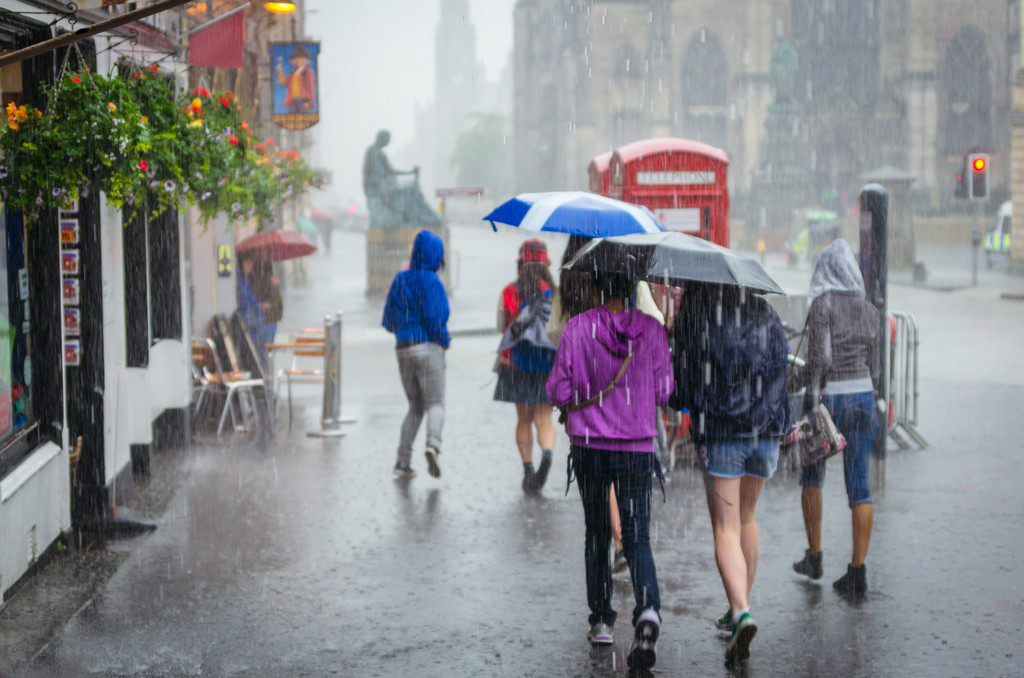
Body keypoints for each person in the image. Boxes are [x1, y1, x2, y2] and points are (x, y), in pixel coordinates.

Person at [547, 269, 673, 671]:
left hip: (589, 447)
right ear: (633, 288)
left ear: (598, 288)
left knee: (598, 531)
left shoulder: (577, 328)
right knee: (637, 538)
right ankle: (648, 608)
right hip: (636, 447)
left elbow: (558, 390)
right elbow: (664, 392)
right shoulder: (652, 331)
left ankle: (601, 620)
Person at [669, 282, 791, 664]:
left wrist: (681, 400)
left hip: (723, 432)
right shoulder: (765, 313)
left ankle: (741, 611)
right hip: (765, 431)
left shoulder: (698, 316)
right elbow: (781, 369)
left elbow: (682, 382)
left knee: (726, 528)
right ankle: (740, 607)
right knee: (747, 519)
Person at [791, 238, 880, 597]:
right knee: (859, 487)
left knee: (812, 477)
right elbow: (876, 368)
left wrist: (791, 383)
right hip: (863, 399)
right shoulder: (870, 310)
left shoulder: (822, 305)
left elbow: (820, 362)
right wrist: (867, 393)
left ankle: (814, 556)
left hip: (828, 401)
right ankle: (857, 572)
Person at [381, 229, 451, 479]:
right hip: (428, 348)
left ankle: (402, 461)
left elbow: (388, 320)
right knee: (435, 404)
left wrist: (404, 330)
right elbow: (435, 318)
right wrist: (444, 340)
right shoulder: (431, 281)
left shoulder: (400, 279)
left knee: (415, 407)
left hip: (403, 349)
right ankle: (433, 445)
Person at [494, 239, 558, 493]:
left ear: (521, 263)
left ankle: (528, 469)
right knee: (544, 419)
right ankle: (548, 454)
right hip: (546, 363)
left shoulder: (510, 291)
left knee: (523, 418)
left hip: (516, 365)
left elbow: (502, 326)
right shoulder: (554, 293)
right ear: (545, 265)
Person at [244, 256, 283, 347]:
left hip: (265, 318)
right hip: (267, 318)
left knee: (262, 348)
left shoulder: (259, 278)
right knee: (265, 348)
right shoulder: (267, 278)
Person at [276, 44, 316, 114]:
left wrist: (308, 101)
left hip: (303, 100)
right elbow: (285, 82)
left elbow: (311, 87)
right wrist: (280, 72)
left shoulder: (309, 72)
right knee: (291, 116)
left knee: (304, 116)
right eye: (296, 59)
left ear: (306, 60)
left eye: (300, 58)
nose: (298, 61)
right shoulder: (293, 74)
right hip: (293, 100)